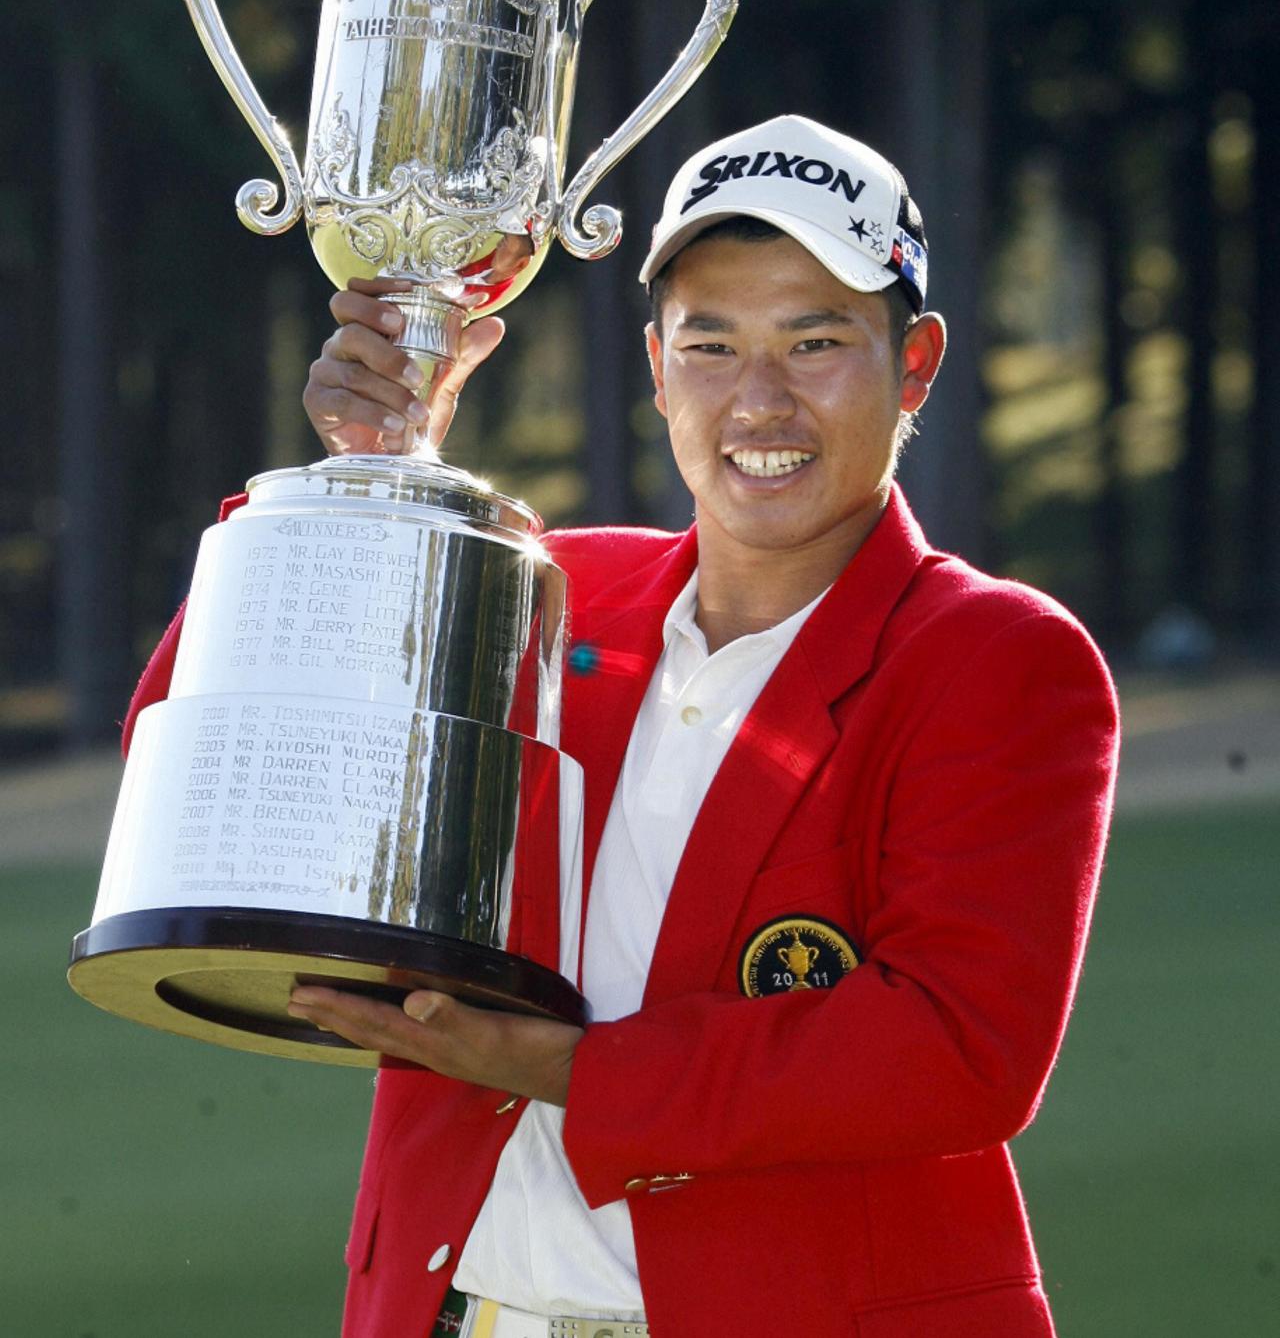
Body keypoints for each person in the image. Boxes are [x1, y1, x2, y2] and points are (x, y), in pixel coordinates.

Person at [127, 115, 1118, 1338]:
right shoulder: (546, 591)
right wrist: (365, 487)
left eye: (814, 342)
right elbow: (199, 764)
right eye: (710, 344)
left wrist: (560, 1070)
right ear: (656, 369)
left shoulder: (994, 657)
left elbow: (954, 1049)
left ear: (913, 363)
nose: (759, 400)